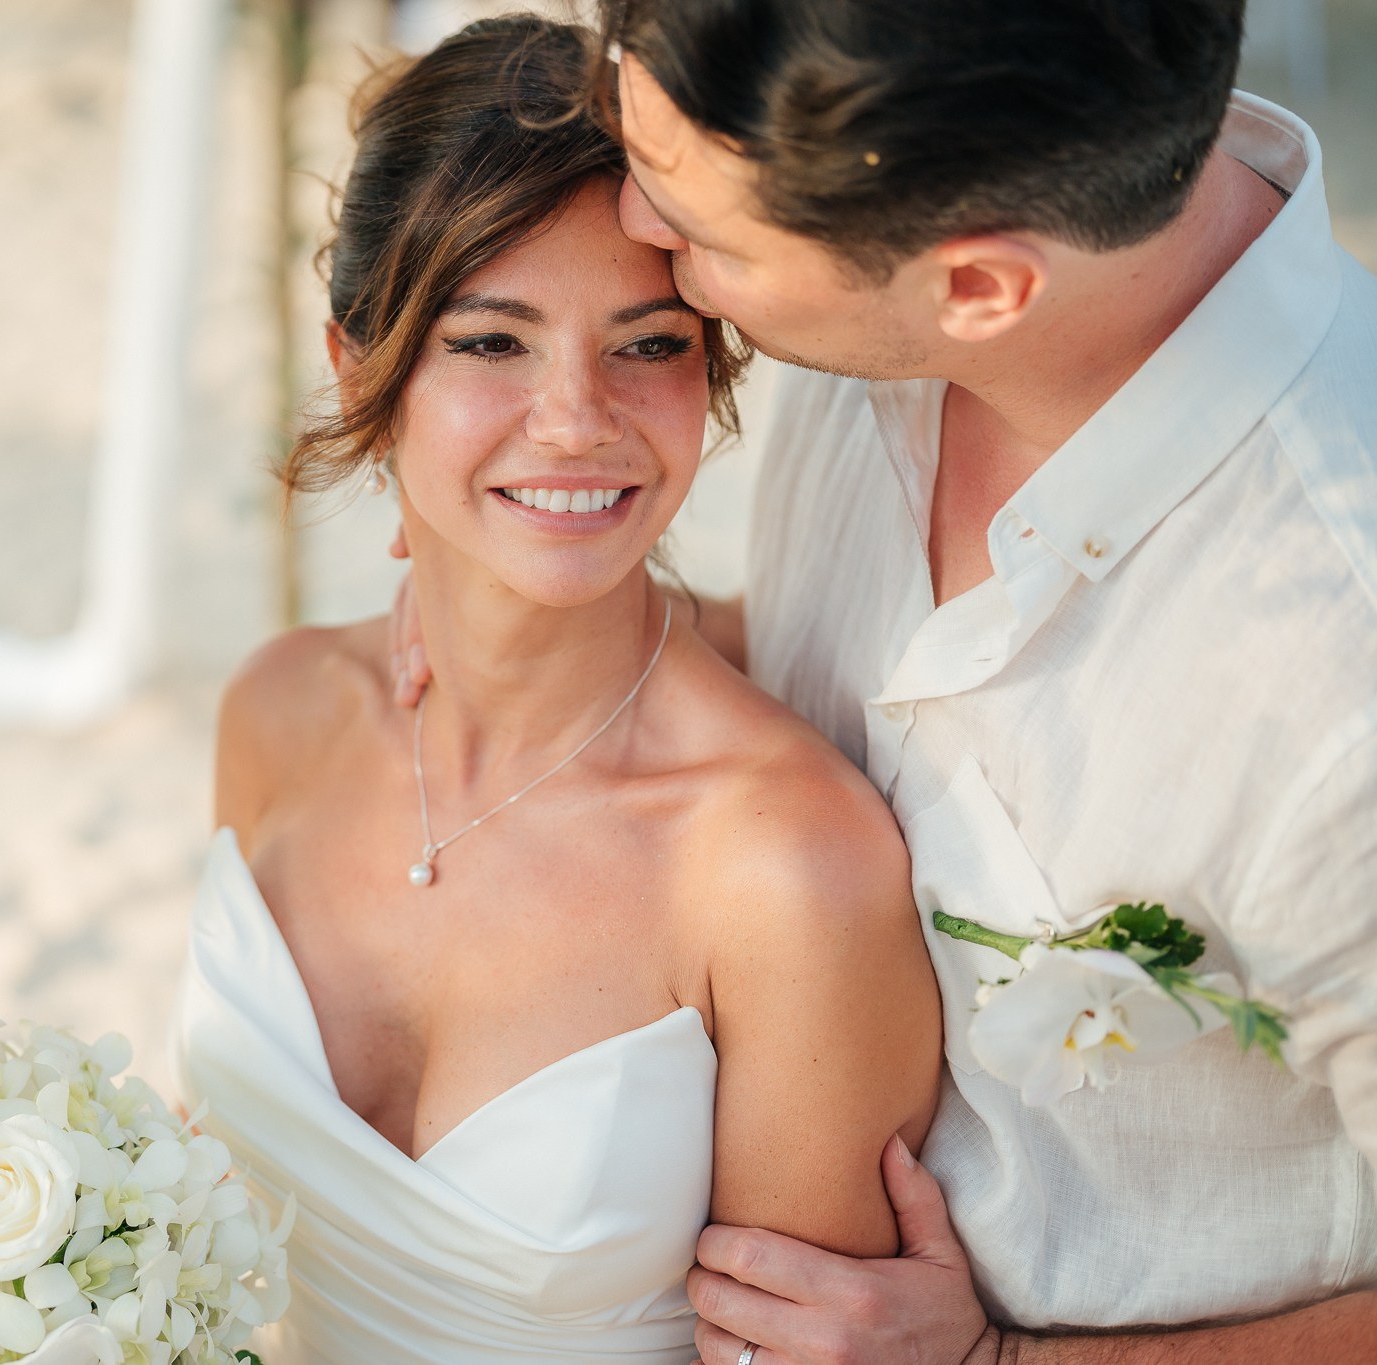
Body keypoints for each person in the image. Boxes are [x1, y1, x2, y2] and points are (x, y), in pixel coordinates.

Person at [398, 0, 1377, 1359]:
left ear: (977, 287)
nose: (641, 223)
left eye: (708, 229)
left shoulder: (1341, 678)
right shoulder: (882, 284)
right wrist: (515, 614)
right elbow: (862, 665)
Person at [171, 17, 940, 1363]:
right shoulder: (277, 710)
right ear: (364, 361)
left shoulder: (783, 865)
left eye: (649, 345)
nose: (578, 417)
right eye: (492, 343)